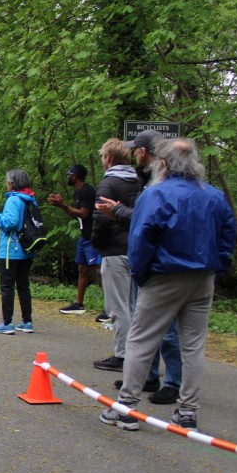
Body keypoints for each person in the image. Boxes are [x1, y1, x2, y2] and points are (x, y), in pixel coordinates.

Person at [99, 138, 237, 431]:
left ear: (162, 164)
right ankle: (187, 411)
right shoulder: (213, 195)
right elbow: (228, 237)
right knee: (193, 345)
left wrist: (141, 274)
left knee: (141, 339)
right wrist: (217, 269)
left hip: (163, 275)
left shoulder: (155, 194)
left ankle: (126, 408)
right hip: (202, 278)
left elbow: (141, 238)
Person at [99, 129, 183, 404]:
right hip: (141, 259)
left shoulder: (165, 182)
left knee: (166, 327)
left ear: (145, 151)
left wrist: (118, 211)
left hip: (162, 263)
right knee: (142, 321)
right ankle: (148, 375)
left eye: (137, 150)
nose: (135, 154)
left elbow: (151, 220)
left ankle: (174, 382)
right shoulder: (145, 178)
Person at [90, 139, 141, 372]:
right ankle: (138, 354)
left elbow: (100, 217)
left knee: (118, 306)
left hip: (114, 250)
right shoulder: (140, 181)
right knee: (134, 305)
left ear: (109, 158)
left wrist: (96, 243)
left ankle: (123, 355)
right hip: (137, 249)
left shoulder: (108, 183)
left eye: (103, 157)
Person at [0, 169, 38, 335]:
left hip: (11, 250)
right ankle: (27, 322)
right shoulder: (31, 199)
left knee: (7, 286)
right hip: (27, 248)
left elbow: (10, 223)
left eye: (7, 181)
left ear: (12, 183)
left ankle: (7, 323)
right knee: (23, 285)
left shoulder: (13, 200)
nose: (6, 184)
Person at [48, 165, 101, 316]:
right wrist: (63, 206)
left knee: (99, 269)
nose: (67, 176)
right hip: (84, 236)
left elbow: (84, 214)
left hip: (92, 236)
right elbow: (77, 215)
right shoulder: (78, 192)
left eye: (68, 174)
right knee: (82, 269)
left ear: (75, 176)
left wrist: (63, 205)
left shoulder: (87, 191)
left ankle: (110, 308)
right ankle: (78, 304)